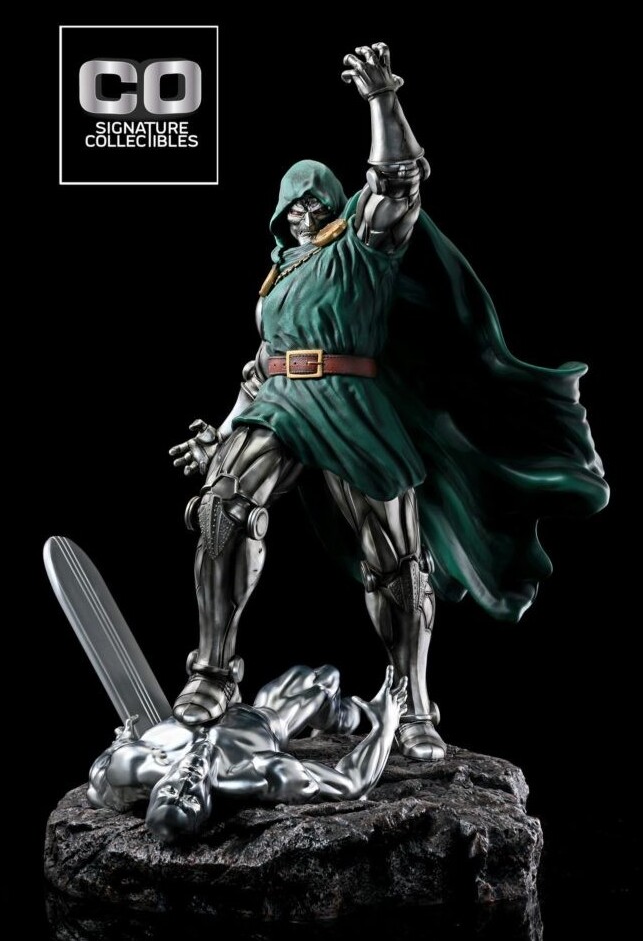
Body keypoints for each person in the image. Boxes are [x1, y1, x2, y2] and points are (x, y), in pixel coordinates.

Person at [168, 43, 609, 761]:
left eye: (314, 197)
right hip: (279, 399)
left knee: (399, 563)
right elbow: (259, 369)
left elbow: (397, 183)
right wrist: (219, 437)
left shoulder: (361, 246)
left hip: (349, 400)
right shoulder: (277, 280)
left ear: (331, 202)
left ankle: (411, 702)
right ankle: (212, 674)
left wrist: (381, 99)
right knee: (223, 505)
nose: (302, 209)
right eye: (291, 203)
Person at [88, 665, 407, 842]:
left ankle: (337, 716)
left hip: (209, 696)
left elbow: (97, 784)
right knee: (323, 678)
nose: (185, 784)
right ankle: (341, 717)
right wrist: (385, 726)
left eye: (170, 792)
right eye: (191, 800)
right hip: (266, 715)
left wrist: (122, 740)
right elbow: (350, 785)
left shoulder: (128, 767)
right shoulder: (255, 775)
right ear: (207, 808)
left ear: (154, 792)